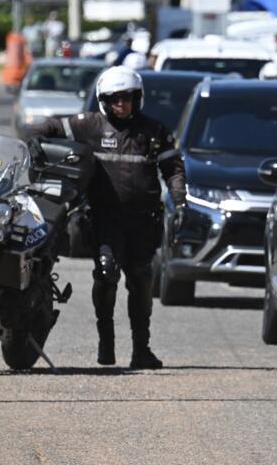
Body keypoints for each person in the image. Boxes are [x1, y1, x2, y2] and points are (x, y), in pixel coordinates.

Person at [30, 66, 186, 369]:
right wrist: (34, 140)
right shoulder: (90, 125)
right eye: (115, 99)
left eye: (128, 98)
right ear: (104, 101)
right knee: (106, 274)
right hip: (105, 220)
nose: (121, 104)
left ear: (138, 98)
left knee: (141, 282)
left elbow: (174, 170)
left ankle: (142, 349)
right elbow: (47, 127)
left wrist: (179, 202)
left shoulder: (156, 132)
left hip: (143, 221)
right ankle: (107, 343)